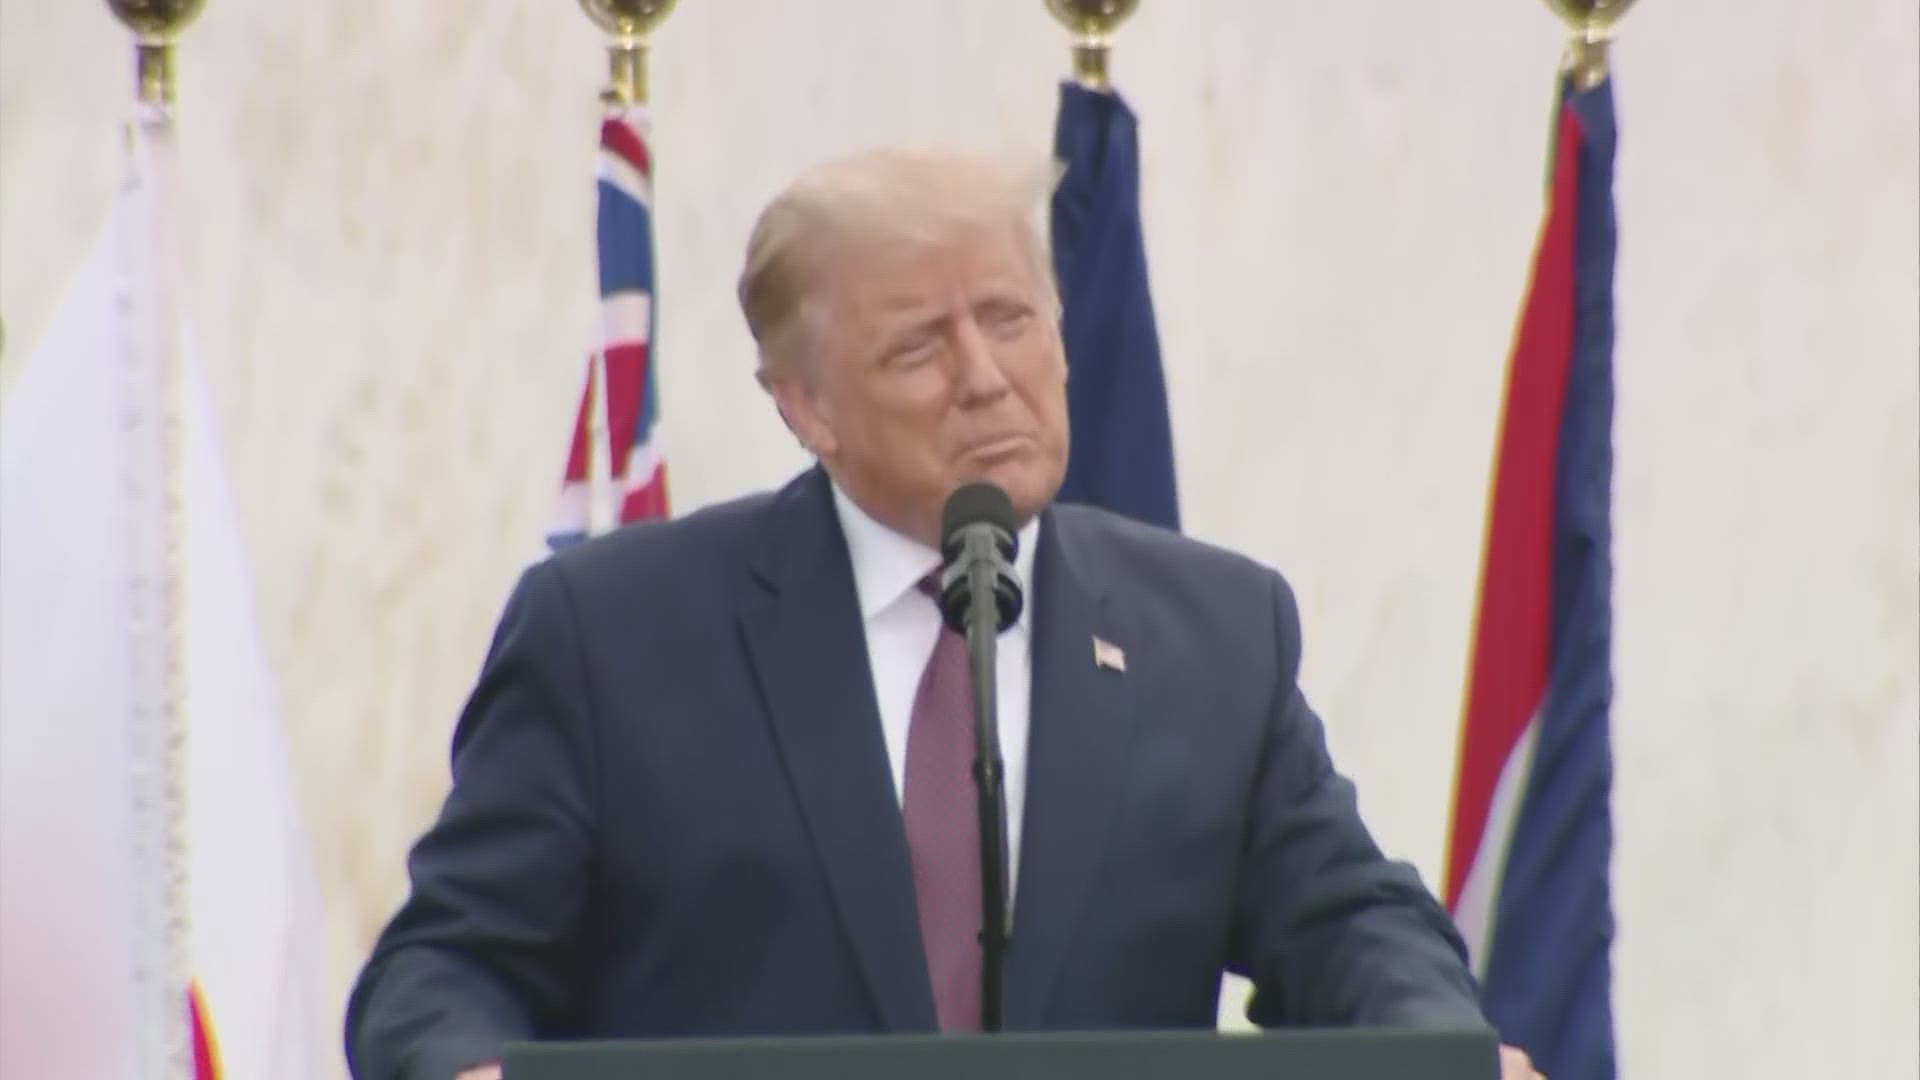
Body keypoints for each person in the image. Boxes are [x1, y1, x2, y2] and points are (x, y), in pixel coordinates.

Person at [344, 148, 1540, 1080]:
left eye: (1011, 319)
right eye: (919, 345)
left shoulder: (1217, 632)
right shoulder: (614, 635)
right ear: (806, 405)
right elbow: (446, 967)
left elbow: (1349, 925)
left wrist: (1446, 1048)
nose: (984, 374)